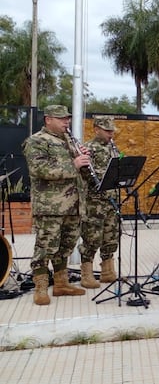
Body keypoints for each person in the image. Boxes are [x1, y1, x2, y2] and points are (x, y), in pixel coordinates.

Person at [22, 105, 89, 305]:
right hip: (50, 206)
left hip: (73, 205)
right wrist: (74, 164)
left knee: (66, 245)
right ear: (48, 119)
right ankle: (40, 288)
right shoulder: (36, 141)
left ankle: (61, 284)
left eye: (67, 118)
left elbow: (80, 173)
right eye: (61, 119)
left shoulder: (68, 141)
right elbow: (40, 169)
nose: (66, 122)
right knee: (45, 246)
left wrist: (85, 160)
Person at [79, 116, 120, 289]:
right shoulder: (88, 148)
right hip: (95, 201)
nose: (111, 134)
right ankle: (86, 274)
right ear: (97, 129)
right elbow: (85, 173)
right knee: (92, 237)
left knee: (111, 236)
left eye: (112, 131)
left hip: (111, 200)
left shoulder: (113, 148)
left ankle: (107, 271)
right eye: (107, 131)